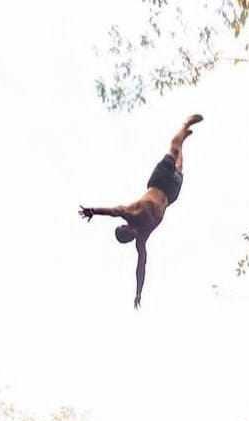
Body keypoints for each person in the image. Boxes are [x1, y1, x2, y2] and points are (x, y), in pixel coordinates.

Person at [80, 114, 203, 308]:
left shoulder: (130, 213)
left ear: (126, 226)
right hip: (170, 195)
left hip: (158, 181)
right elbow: (141, 266)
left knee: (173, 148)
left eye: (127, 232)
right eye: (130, 237)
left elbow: (112, 211)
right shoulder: (142, 238)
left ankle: (184, 124)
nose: (132, 234)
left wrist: (92, 211)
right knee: (179, 167)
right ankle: (184, 139)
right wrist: (138, 292)